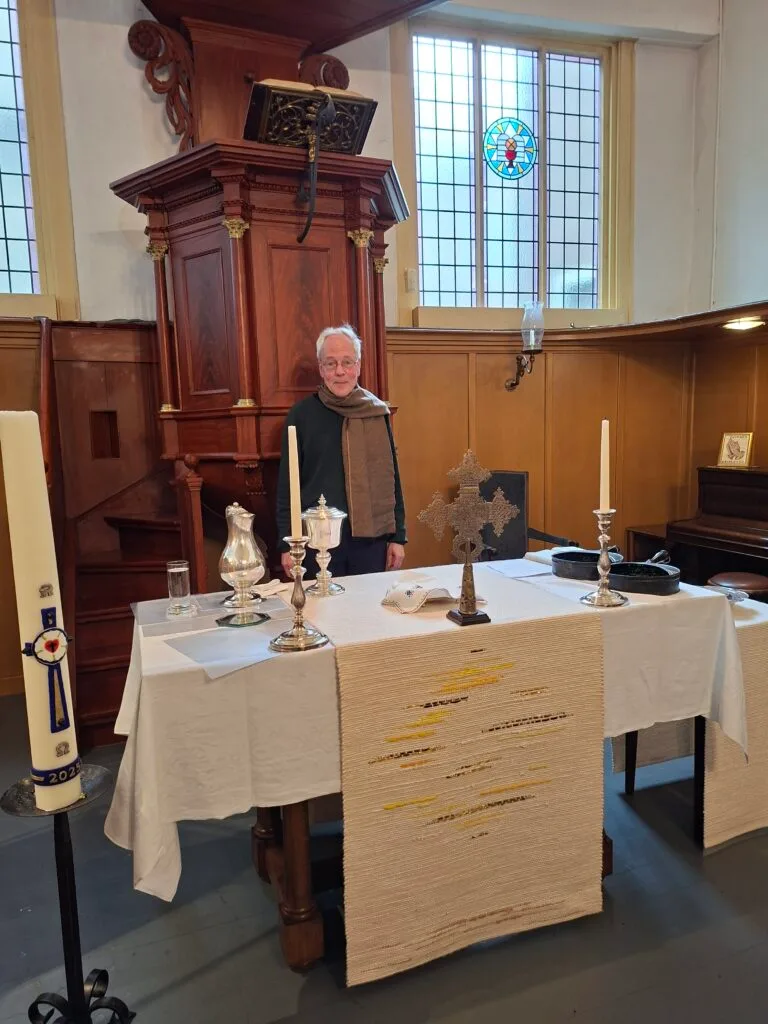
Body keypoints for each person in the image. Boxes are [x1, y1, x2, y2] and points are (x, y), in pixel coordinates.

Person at [276, 325, 406, 579]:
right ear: (321, 368)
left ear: (358, 366)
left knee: (369, 604)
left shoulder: (376, 413)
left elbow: (392, 481)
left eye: (347, 362)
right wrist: (286, 544)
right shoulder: (301, 416)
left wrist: (398, 537)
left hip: (371, 541)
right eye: (331, 363)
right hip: (316, 541)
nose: (340, 371)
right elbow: (286, 487)